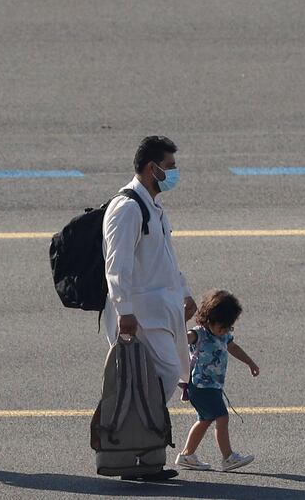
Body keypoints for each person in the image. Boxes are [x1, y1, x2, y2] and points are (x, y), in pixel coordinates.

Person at [102, 135, 196, 481]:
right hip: (138, 315)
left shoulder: (154, 207)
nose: (173, 173)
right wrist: (124, 309)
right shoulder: (127, 208)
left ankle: (143, 456)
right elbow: (117, 265)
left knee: (157, 382)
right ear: (150, 168)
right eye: (169, 167)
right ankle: (134, 454)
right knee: (162, 377)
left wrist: (184, 292)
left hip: (161, 309)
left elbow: (166, 258)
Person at [176, 290, 259, 472]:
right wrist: (179, 322)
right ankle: (228, 457)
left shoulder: (223, 335)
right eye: (222, 327)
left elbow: (233, 347)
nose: (225, 331)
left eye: (229, 327)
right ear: (208, 319)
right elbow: (183, 339)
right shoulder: (199, 334)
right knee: (222, 417)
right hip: (200, 385)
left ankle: (187, 455)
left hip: (212, 386)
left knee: (205, 420)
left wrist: (250, 362)